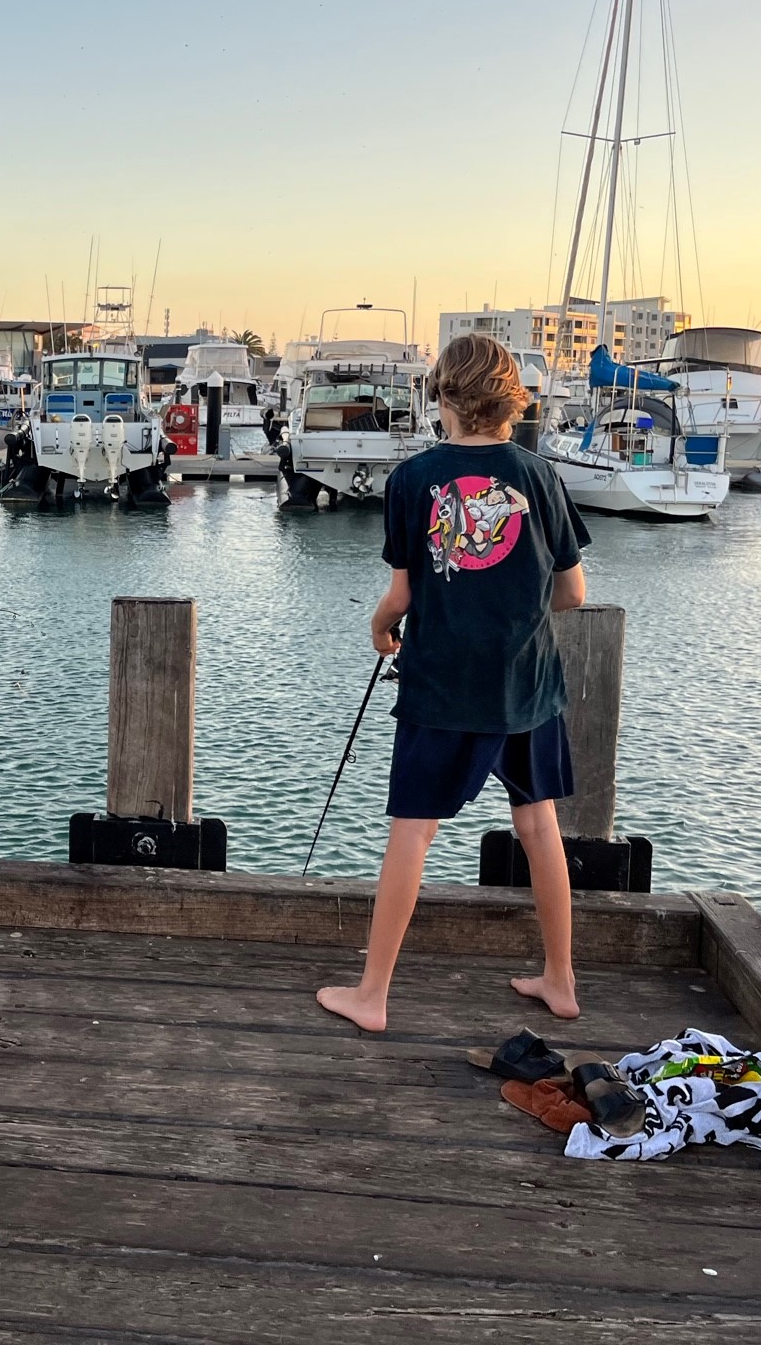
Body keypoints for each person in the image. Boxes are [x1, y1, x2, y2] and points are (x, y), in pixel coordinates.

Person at [317, 334, 590, 1033]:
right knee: (539, 826)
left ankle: (373, 995)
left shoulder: (413, 480)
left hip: (442, 686)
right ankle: (560, 981)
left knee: (415, 830)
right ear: (510, 402)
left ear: (442, 397)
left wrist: (380, 629)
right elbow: (573, 594)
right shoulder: (539, 476)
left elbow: (401, 596)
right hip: (526, 683)